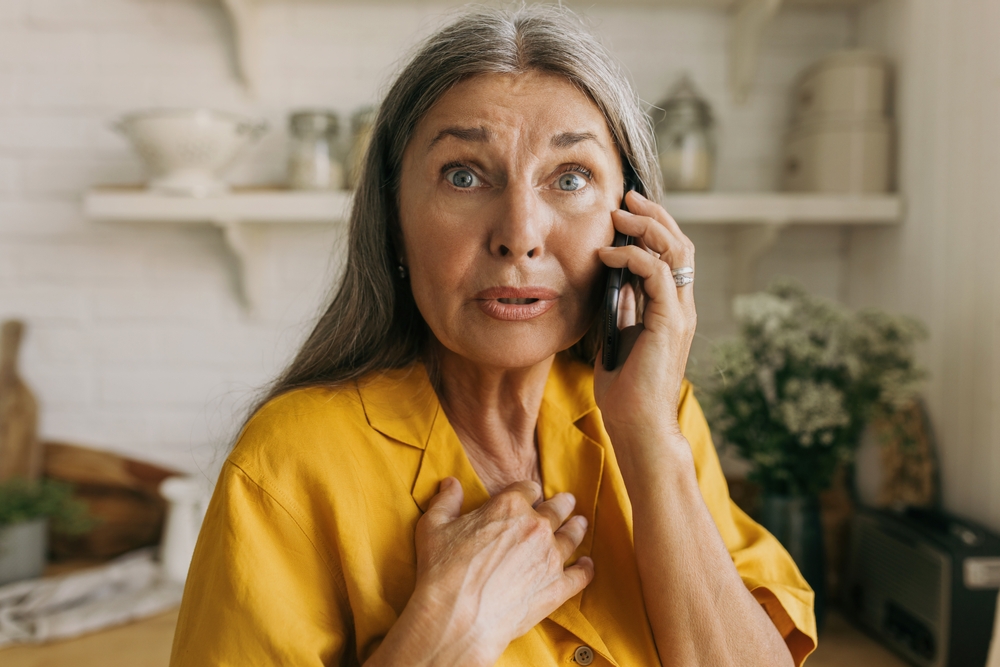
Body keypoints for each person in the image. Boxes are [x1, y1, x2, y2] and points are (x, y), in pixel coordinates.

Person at [170, 6, 817, 666]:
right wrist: (444, 630)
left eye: (570, 178)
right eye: (463, 174)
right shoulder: (287, 464)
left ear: (630, 223)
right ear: (394, 221)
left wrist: (650, 438)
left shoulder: (661, 414)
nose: (520, 233)